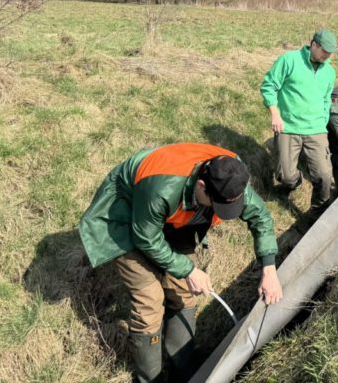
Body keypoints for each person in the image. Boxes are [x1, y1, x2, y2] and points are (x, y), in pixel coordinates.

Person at [78, 142, 282, 383]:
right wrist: (187, 269)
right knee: (149, 302)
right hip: (126, 218)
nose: (224, 211)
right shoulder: (161, 187)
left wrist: (269, 269)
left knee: (184, 292)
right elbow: (146, 238)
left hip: (174, 219)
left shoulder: (230, 177)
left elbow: (260, 216)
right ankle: (151, 378)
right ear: (201, 185)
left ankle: (184, 366)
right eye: (218, 206)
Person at [260, 29, 336, 213]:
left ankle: (317, 212)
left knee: (324, 176)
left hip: (316, 129)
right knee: (285, 176)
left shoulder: (329, 72)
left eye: (331, 53)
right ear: (314, 45)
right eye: (324, 51)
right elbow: (268, 86)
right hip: (289, 127)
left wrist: (323, 121)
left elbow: (326, 99)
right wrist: (275, 113)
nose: (328, 56)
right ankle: (295, 182)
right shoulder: (289, 60)